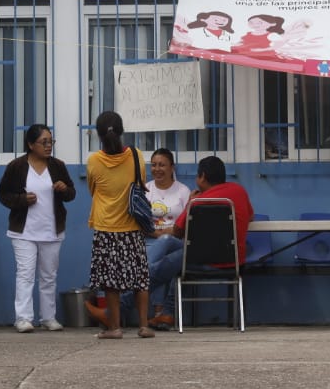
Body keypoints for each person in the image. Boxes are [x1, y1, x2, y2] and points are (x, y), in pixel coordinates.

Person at [150, 154, 256, 324]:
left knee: (160, 269)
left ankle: (119, 306)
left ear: (203, 177)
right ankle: (167, 313)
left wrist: (190, 201)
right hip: (234, 262)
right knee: (175, 258)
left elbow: (177, 231)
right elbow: (250, 217)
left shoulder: (197, 202)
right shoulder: (239, 192)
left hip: (201, 261)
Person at [0, 123, 75, 332]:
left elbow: (71, 194)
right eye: (44, 142)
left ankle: (48, 317)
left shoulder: (58, 166)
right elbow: (3, 194)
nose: (49, 146)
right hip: (24, 231)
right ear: (31, 144)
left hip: (51, 229)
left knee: (49, 275)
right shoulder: (17, 167)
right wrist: (22, 199)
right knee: (25, 273)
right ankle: (23, 318)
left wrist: (64, 189)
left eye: (51, 141)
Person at [84, 111, 154, 339]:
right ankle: (144, 326)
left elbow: (93, 189)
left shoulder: (94, 161)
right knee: (140, 279)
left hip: (105, 228)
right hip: (132, 226)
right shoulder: (136, 155)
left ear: (99, 135)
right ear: (122, 130)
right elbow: (141, 183)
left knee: (110, 282)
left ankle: (114, 328)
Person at [107, 148, 190, 330]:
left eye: (162, 165)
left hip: (175, 244)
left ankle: (128, 294)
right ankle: (160, 314)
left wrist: (164, 233)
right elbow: (139, 223)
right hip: (148, 242)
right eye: (154, 165)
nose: (157, 169)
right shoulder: (145, 190)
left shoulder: (183, 191)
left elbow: (186, 227)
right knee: (159, 258)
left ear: (172, 168)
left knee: (165, 242)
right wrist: (160, 233)